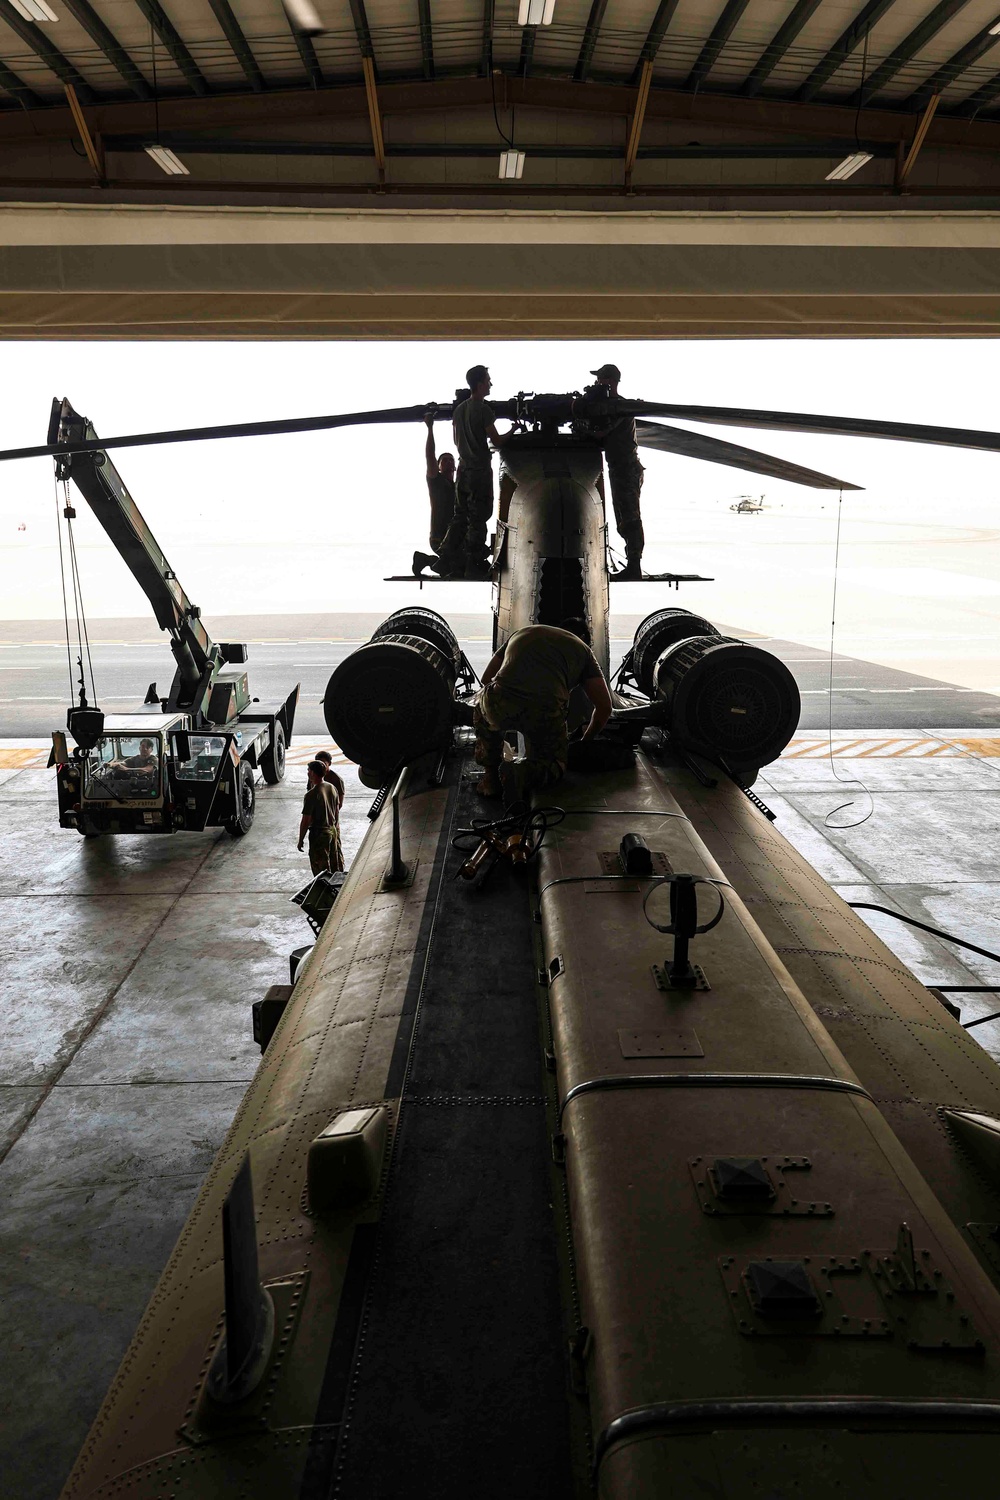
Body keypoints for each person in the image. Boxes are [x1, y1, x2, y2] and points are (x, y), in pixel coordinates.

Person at [473, 619, 612, 802]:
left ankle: (490, 779)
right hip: (545, 710)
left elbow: (486, 679)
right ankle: (522, 774)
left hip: (499, 701)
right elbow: (604, 707)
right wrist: (586, 740)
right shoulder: (583, 650)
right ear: (584, 637)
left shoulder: (522, 632)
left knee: (483, 710)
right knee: (556, 764)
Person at [435, 364, 507, 580]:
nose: (490, 384)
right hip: (479, 470)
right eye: (488, 380)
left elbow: (458, 437)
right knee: (479, 517)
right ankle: (474, 563)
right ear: (479, 384)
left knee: (460, 515)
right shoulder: (483, 410)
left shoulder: (459, 410)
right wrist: (513, 431)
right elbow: (496, 440)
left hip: (463, 469)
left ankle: (444, 557)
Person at [587, 362, 646, 580]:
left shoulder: (620, 407)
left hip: (626, 468)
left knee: (630, 516)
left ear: (610, 381)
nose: (596, 383)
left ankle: (634, 565)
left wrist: (584, 426)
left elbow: (601, 434)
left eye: (600, 379)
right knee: (622, 514)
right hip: (618, 467)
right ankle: (633, 564)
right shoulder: (611, 407)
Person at [413, 415, 457, 577]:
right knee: (451, 569)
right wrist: (430, 428)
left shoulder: (457, 487)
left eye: (450, 460)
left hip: (454, 540)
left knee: (460, 568)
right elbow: (429, 455)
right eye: (444, 460)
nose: (448, 462)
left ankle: (425, 559)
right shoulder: (436, 481)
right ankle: (425, 560)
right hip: (440, 540)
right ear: (438, 466)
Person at [298, 759, 341, 875]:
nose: (307, 773)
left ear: (312, 773)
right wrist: (334, 828)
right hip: (332, 831)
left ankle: (325, 891)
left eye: (308, 770)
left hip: (319, 835)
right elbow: (337, 811)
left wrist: (301, 839)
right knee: (334, 865)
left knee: (321, 870)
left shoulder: (311, 795)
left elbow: (305, 821)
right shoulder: (331, 787)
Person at [314, 749, 346, 872]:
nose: (321, 766)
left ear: (329, 764)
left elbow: (339, 805)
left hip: (331, 822)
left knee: (335, 852)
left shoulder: (336, 780)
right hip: (319, 823)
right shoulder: (314, 775)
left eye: (324, 763)